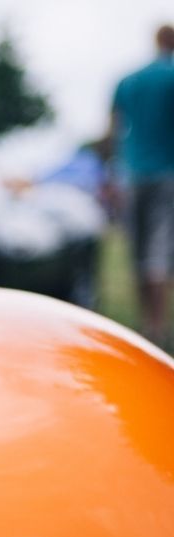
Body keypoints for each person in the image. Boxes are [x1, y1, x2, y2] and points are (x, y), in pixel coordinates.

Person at [111, 25, 174, 344]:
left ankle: (142, 324)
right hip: (167, 175)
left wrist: (110, 174)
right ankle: (156, 326)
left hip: (133, 174)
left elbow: (113, 128)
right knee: (159, 252)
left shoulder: (129, 79)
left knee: (138, 250)